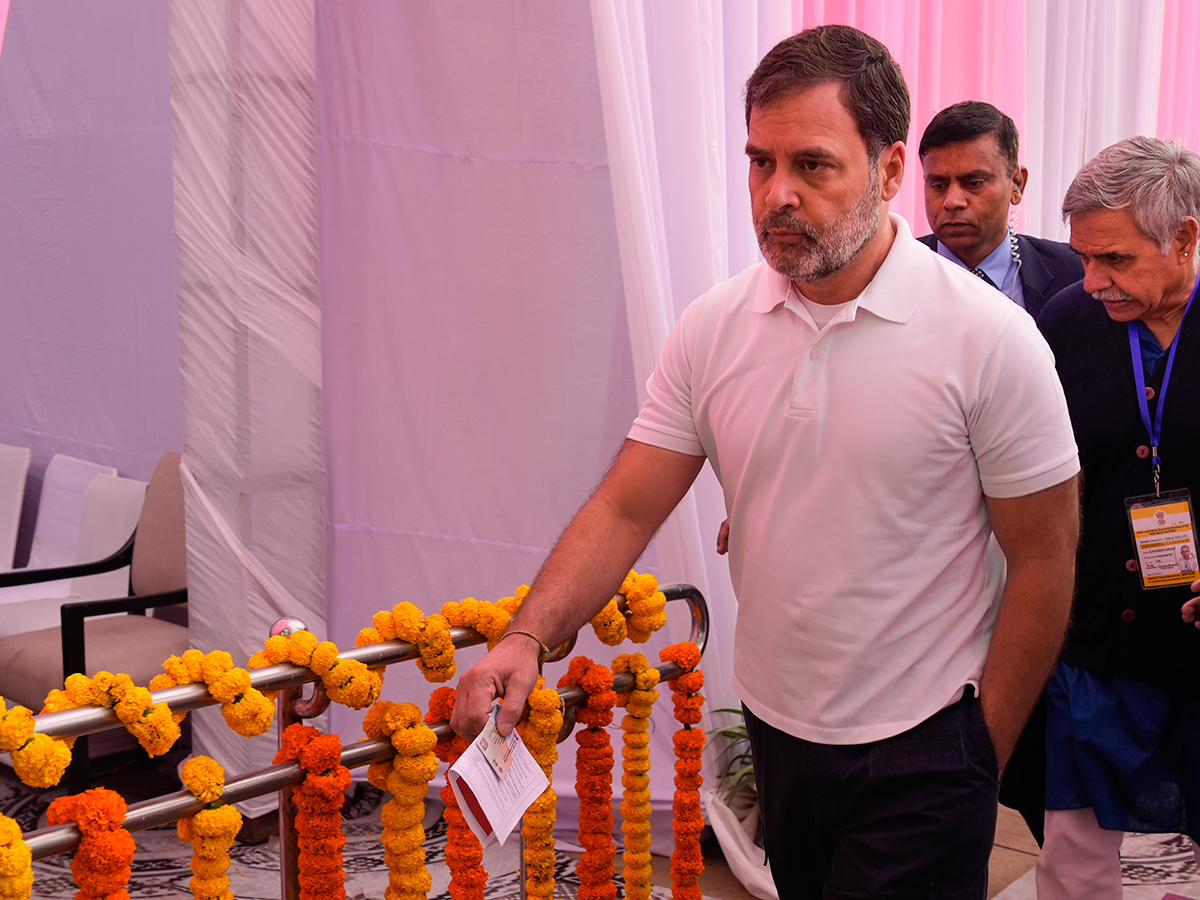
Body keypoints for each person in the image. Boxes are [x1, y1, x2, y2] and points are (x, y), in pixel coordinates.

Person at [453, 24, 1080, 898]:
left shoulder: (991, 340)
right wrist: (528, 635)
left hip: (929, 746)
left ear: (890, 171)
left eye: (812, 166)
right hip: (779, 735)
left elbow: (1046, 557)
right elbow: (627, 507)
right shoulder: (714, 328)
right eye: (759, 162)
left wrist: (982, 752)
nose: (775, 194)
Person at [1036, 135, 1200, 899]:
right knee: (1073, 850)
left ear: (1185, 237)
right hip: (1098, 627)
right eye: (1084, 257)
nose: (1092, 280)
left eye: (1117, 261)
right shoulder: (1065, 322)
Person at [918, 100, 1081, 317]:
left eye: (973, 183)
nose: (952, 201)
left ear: (1017, 184)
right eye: (938, 185)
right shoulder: (889, 275)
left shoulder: (1074, 273)